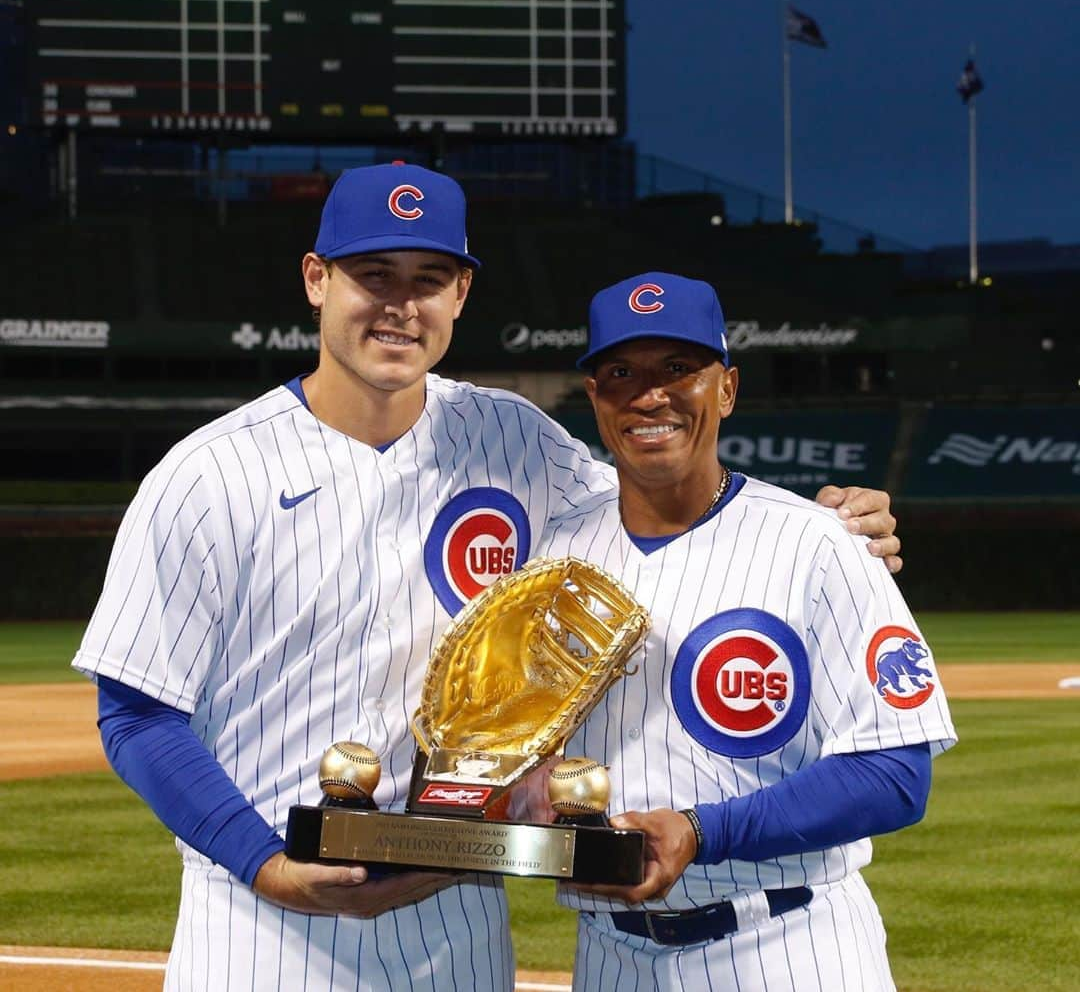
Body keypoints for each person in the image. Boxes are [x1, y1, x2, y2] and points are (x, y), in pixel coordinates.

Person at [73, 167, 904, 991]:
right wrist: (264, 865)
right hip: (262, 929)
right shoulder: (208, 474)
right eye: (373, 275)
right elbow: (139, 715)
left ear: (462, 293)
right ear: (316, 280)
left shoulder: (514, 439)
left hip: (457, 922)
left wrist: (822, 521)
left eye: (429, 279)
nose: (401, 304)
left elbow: (664, 499)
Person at [532, 271, 958, 991]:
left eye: (678, 368)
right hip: (608, 956)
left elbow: (895, 772)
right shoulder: (552, 559)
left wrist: (702, 831)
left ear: (726, 388)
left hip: (786, 945)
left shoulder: (820, 542)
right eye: (620, 372)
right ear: (596, 398)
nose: (649, 394)